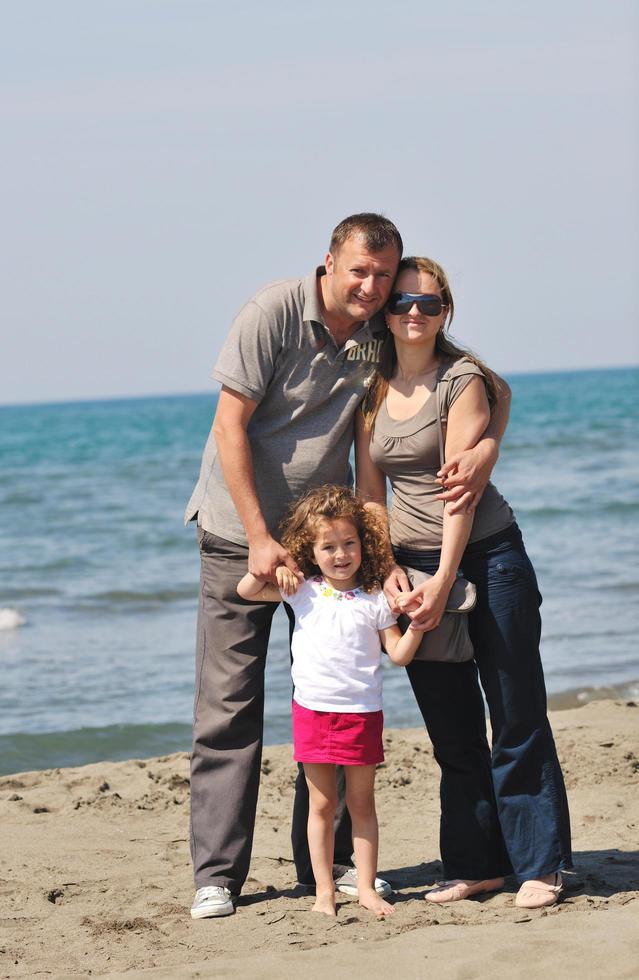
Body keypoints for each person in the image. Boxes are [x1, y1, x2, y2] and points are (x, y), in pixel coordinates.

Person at [184, 213, 405, 919]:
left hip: (329, 551)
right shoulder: (272, 312)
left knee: (336, 691)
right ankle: (217, 876)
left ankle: (335, 863)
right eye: (358, 272)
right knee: (229, 707)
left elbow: (368, 454)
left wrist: (380, 554)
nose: (370, 287)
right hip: (239, 536)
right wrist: (257, 536)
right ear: (329, 263)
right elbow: (228, 426)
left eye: (382, 274)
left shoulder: (378, 333)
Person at [356, 256, 572, 910]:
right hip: (409, 566)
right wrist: (385, 566)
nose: (413, 313)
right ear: (382, 313)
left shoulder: (462, 378)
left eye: (427, 302)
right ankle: (477, 864)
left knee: (514, 713)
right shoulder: (369, 390)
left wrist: (444, 578)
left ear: (445, 310)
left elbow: (460, 497)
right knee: (450, 727)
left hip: (484, 557)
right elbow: (370, 494)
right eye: (400, 302)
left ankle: (541, 865)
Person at [238, 485, 421, 917]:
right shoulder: (303, 590)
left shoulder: (376, 598)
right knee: (320, 804)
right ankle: (324, 892)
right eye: (328, 547)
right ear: (311, 550)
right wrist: (274, 570)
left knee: (361, 805)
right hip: (314, 712)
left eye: (349, 543)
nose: (341, 554)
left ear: (364, 544)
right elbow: (246, 590)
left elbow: (397, 655)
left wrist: (419, 624)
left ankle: (366, 888)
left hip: (361, 715)